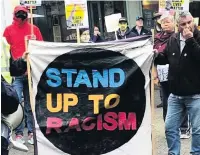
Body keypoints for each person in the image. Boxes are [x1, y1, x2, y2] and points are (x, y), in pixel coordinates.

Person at [155, 11, 200, 155]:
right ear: (177, 25)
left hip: (195, 94)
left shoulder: (198, 37)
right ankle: (173, 153)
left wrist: (190, 40)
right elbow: (166, 59)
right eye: (183, 24)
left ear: (193, 21)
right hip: (175, 94)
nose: (187, 26)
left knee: (198, 130)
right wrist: (156, 56)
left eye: (189, 22)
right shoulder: (173, 39)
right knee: (170, 127)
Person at [3, 5, 43, 145]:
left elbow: (41, 48)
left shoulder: (34, 29)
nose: (21, 17)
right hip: (16, 73)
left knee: (30, 104)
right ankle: (19, 133)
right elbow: (5, 52)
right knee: (16, 103)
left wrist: (34, 43)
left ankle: (31, 132)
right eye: (19, 14)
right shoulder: (8, 30)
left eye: (23, 14)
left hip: (31, 72)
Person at [154, 14, 191, 139]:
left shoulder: (178, 37)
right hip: (163, 74)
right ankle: (169, 128)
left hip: (179, 74)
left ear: (174, 24)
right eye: (163, 22)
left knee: (182, 100)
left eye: (168, 21)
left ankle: (184, 127)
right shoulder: (157, 38)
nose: (165, 24)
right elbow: (158, 57)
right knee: (166, 101)